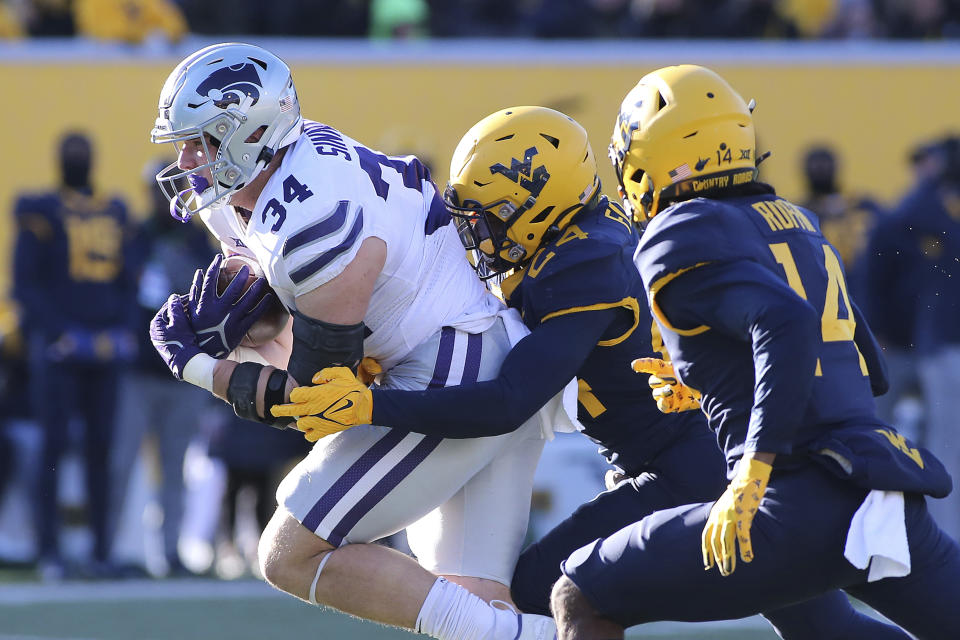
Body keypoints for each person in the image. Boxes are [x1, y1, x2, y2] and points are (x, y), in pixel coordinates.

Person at [274, 104, 912, 639]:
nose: (480, 236)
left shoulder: (583, 266)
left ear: (539, 203)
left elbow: (506, 402)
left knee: (540, 593)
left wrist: (374, 407)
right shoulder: (586, 239)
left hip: (684, 468)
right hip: (697, 457)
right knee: (827, 626)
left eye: (491, 218)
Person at [145, 42, 559, 640]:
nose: (186, 159)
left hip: (451, 368)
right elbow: (297, 321)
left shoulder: (311, 223)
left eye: (203, 140)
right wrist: (251, 329)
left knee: (290, 551)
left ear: (253, 132)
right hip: (472, 350)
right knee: (474, 603)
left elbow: (315, 405)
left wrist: (196, 366)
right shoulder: (278, 169)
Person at [548, 64, 960, 640]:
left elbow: (786, 324)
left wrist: (751, 469)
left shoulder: (678, 230)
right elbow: (865, 364)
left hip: (793, 498)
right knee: (820, 626)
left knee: (578, 592)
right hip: (880, 485)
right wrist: (710, 376)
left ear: (653, 161)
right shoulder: (799, 222)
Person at [12, 131, 139, 579]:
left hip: (104, 352)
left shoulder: (116, 210)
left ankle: (100, 550)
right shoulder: (40, 210)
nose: (78, 160)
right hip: (60, 353)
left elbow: (130, 280)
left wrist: (120, 331)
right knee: (52, 448)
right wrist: (60, 333)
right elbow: (24, 284)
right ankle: (50, 550)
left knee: (102, 451)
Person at [108, 159, 217, 577]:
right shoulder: (134, 239)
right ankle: (115, 550)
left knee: (176, 468)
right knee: (122, 463)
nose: (161, 199)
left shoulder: (195, 241)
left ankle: (171, 551)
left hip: (183, 373)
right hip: (137, 372)